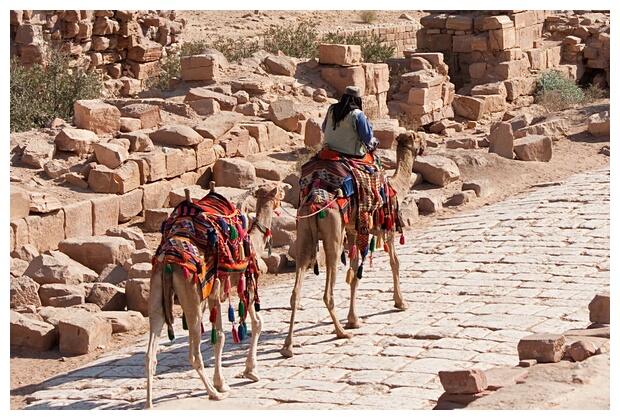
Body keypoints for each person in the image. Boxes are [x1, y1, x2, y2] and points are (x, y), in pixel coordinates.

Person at [321, 85, 378, 157]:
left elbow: (324, 128)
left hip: (329, 149)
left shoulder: (331, 109)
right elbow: (367, 138)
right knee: (375, 142)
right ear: (358, 100)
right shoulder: (358, 114)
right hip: (350, 153)